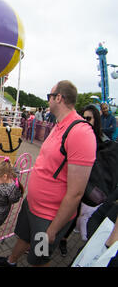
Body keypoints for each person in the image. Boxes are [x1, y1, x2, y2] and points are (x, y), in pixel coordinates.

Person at [0, 80, 96, 267]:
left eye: (50, 96)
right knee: (23, 237)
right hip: (33, 205)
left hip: (49, 217)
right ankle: (11, 261)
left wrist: (53, 229)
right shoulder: (59, 124)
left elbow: (76, 192)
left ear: (59, 98)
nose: (48, 101)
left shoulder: (80, 132)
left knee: (39, 258)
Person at [58, 104, 113, 254]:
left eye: (88, 118)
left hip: (90, 185)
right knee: (70, 211)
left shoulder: (102, 141)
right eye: (82, 117)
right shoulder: (77, 134)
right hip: (74, 181)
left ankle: (65, 239)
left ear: (96, 120)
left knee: (79, 214)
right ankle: (59, 237)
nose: (84, 121)